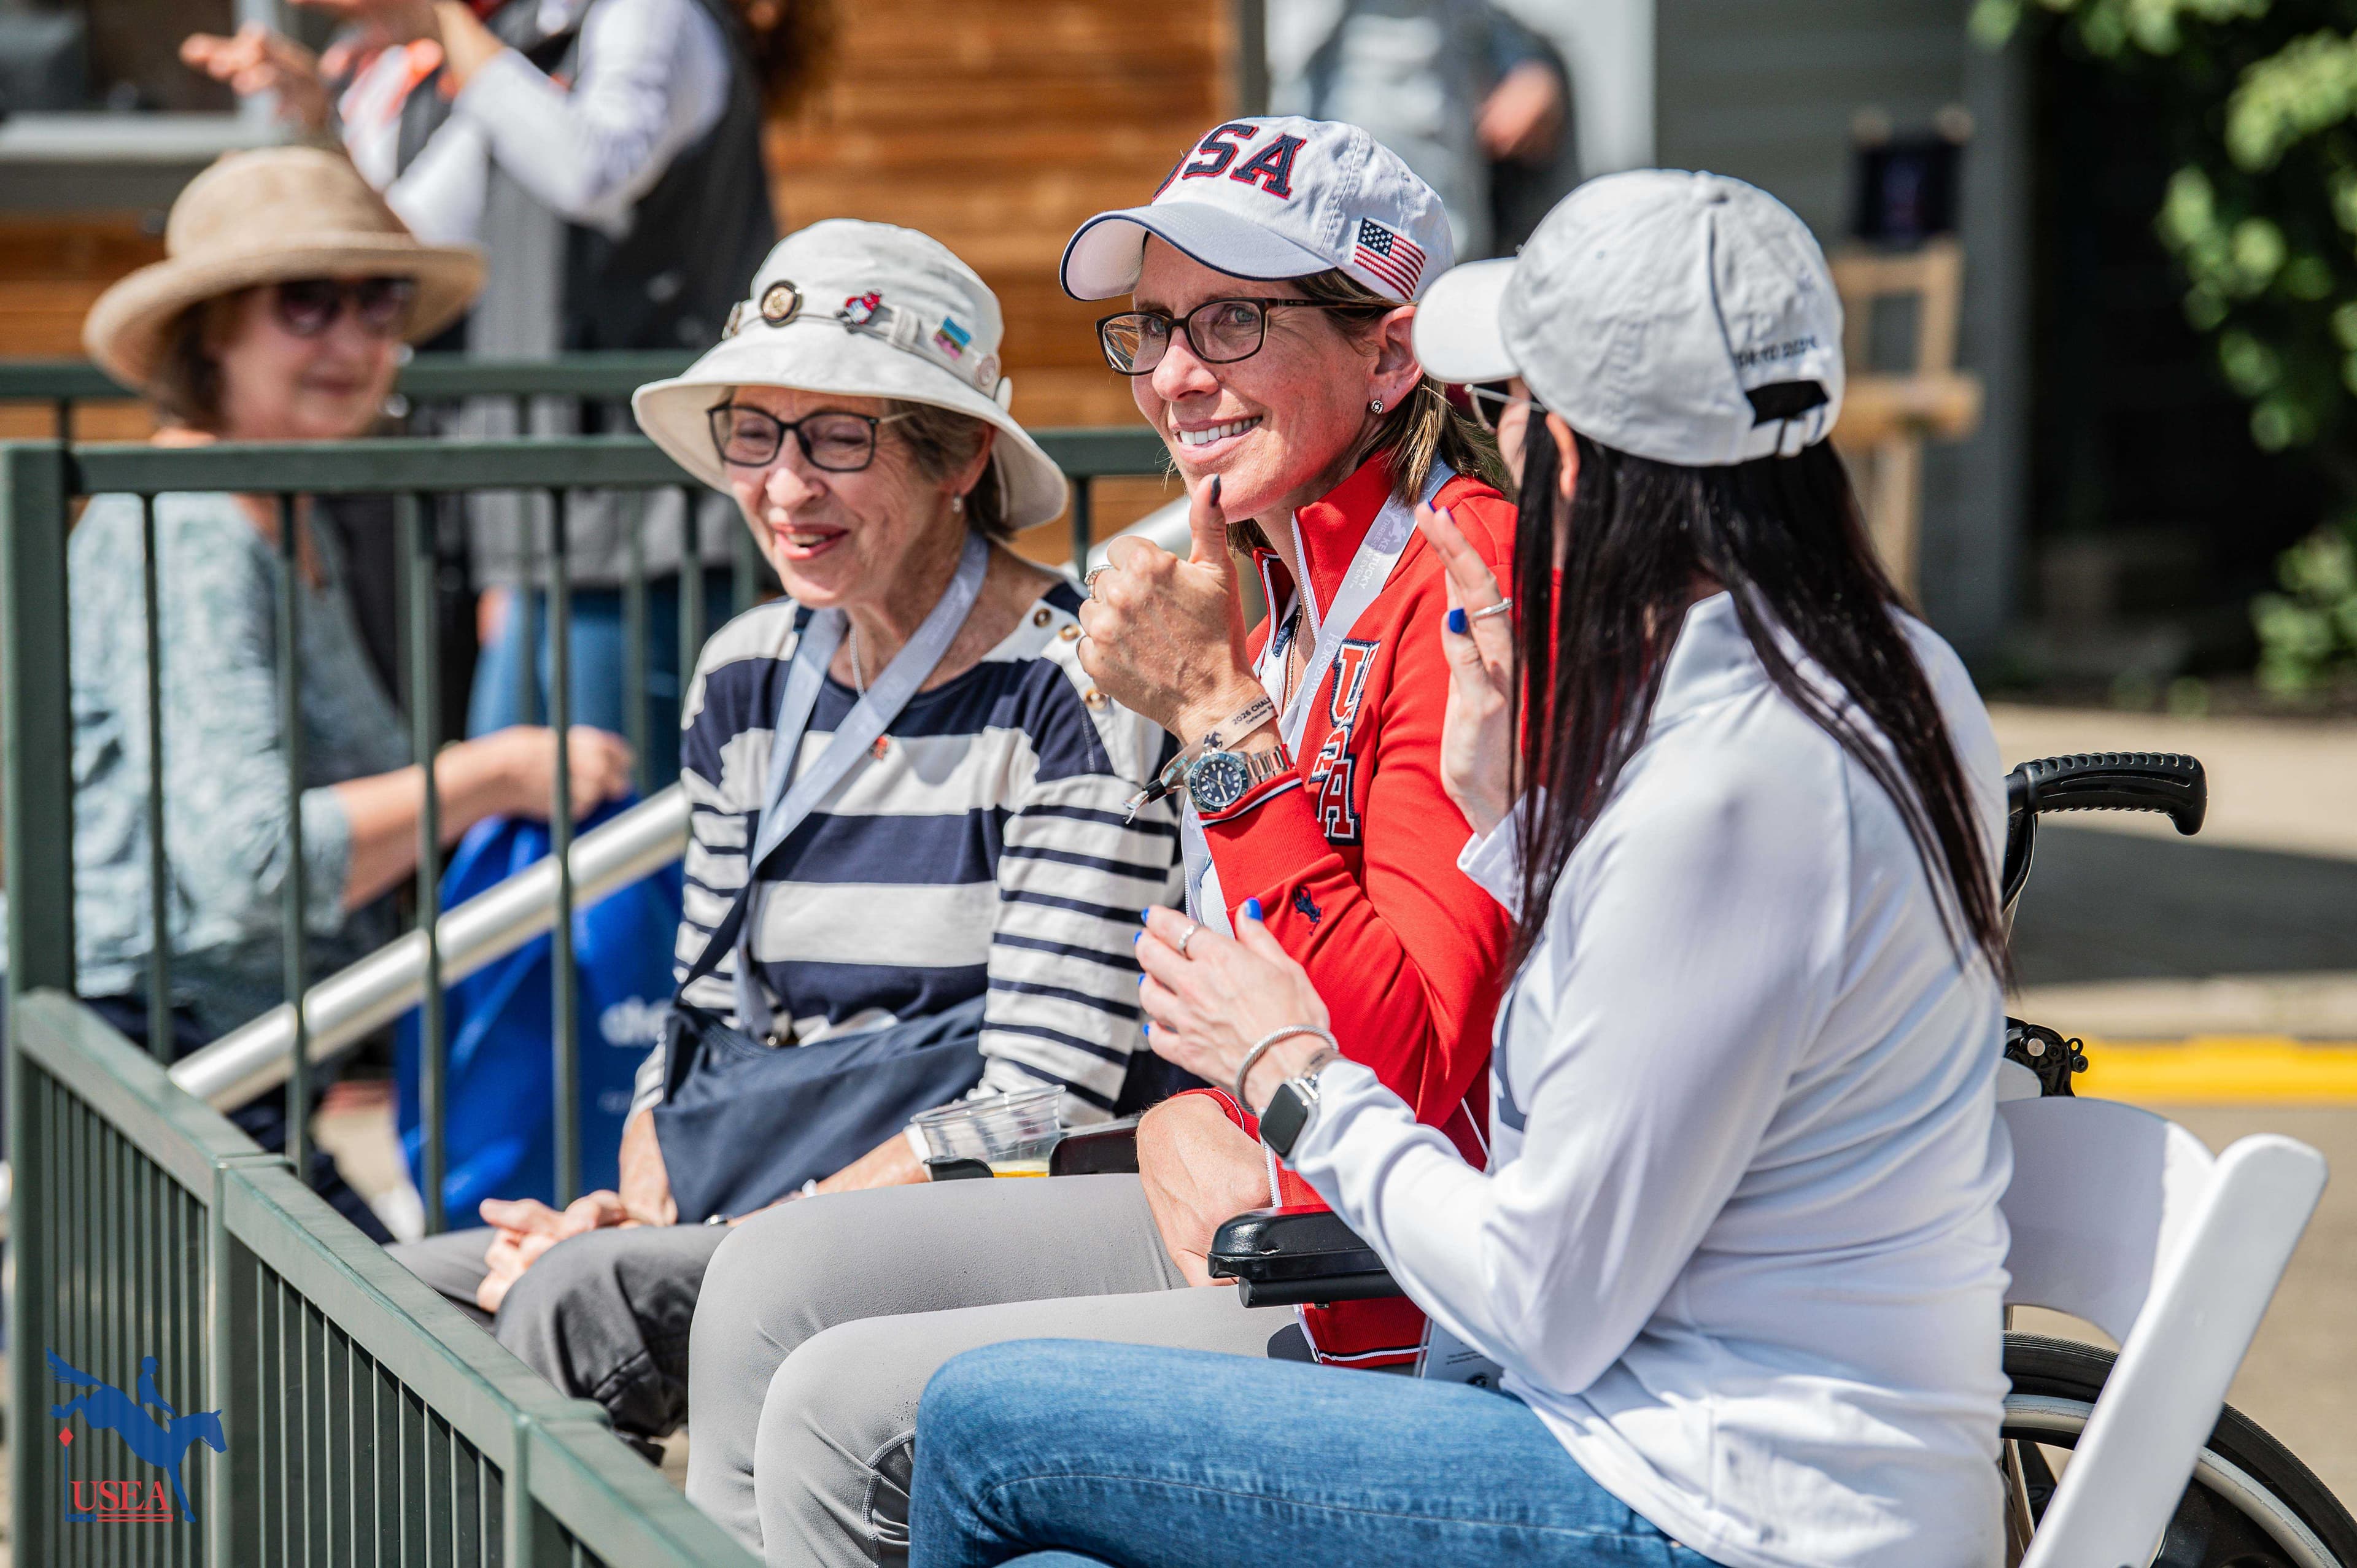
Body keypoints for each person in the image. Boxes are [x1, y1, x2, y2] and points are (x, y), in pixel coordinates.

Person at [906, 170, 2018, 1568]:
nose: (1484, 441)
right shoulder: (1884, 670)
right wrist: (1507, 817)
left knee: (987, 1421)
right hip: (1720, 1453)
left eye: (1502, 407)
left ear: (1566, 447)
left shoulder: (1727, 778)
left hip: (1694, 1500)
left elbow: (1538, 1295)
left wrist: (1281, 1076)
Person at [681, 116, 1520, 1567]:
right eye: (1155, 327)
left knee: (836, 1402)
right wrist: (1191, 1113)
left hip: (1406, 1276)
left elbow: (1405, 1059)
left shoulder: (1460, 574)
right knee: (765, 1283)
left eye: (1234, 322)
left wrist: (1212, 714)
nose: (1178, 373)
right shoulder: (1262, 562)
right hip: (1261, 1192)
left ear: (1389, 357)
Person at [389, 218, 1183, 1454]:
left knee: (560, 1299)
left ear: (961, 456)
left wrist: (747, 1235)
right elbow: (701, 1010)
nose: (785, 484)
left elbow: (1041, 1096)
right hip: (770, 1189)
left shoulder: (1075, 689)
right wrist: (640, 1198)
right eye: (754, 432)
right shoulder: (743, 672)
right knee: (398, 1295)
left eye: (839, 437)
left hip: (959, 1215)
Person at [66, 146, 633, 1233]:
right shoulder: (196, 532)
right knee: (386, 1361)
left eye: (383, 307)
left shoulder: (282, 513)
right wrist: (493, 774)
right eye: (309, 304)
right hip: (151, 1050)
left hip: (234, 1049)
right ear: (212, 328)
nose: (357, 342)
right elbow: (253, 863)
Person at [182, 0, 818, 784]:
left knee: (618, 830)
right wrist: (321, 126)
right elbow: (406, 242)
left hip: (642, 519)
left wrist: (446, 25)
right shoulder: (516, 48)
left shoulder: (651, 13)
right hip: (542, 516)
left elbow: (594, 169)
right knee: (526, 826)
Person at [1268, 0, 1569, 260]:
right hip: (1354, 233)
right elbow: (1291, 69)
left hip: (1455, 220)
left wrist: (1529, 66)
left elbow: (1483, 22)